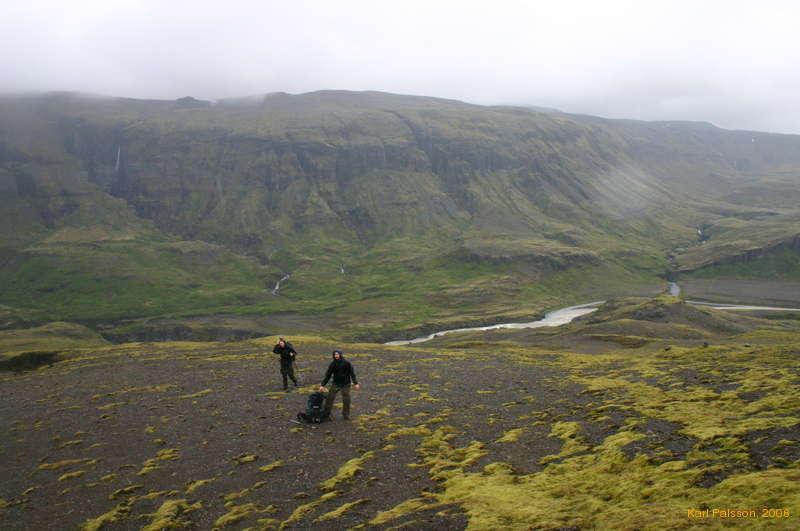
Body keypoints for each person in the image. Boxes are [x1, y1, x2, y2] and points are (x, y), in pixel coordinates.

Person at [319, 349, 360, 420]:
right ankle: (326, 415)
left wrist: (355, 383)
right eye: (335, 354)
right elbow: (328, 375)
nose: (336, 356)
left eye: (337, 354)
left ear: (340, 354)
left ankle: (346, 415)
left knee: (346, 400)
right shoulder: (332, 364)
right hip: (336, 384)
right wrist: (322, 385)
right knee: (329, 398)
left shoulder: (347, 363)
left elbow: (352, 373)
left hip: (345, 384)